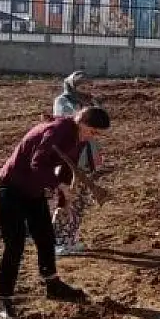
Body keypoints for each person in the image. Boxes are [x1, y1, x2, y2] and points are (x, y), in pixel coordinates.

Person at [0, 106, 111, 319]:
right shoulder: (57, 131)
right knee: (15, 244)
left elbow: (67, 167)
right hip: (11, 187)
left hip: (33, 190)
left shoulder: (79, 137)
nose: (93, 137)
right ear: (82, 121)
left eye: (97, 134)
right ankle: (3, 302)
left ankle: (52, 284)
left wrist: (63, 201)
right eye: (92, 131)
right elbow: (36, 163)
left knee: (46, 237)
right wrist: (58, 186)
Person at [51, 71, 103, 256]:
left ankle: (71, 239)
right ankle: (56, 241)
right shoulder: (63, 101)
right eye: (81, 86)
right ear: (72, 85)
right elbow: (69, 120)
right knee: (65, 199)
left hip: (87, 157)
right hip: (68, 158)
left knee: (80, 201)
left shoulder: (91, 102)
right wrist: (87, 110)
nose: (86, 90)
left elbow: (99, 124)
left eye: (88, 86)